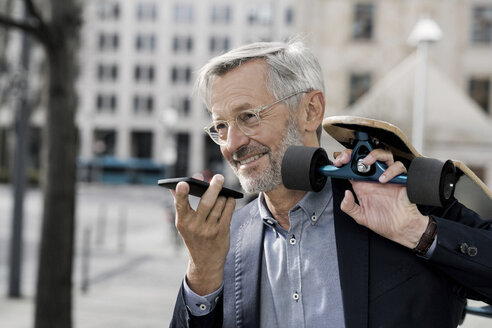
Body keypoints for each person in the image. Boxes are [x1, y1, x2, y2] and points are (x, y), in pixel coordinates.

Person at [169, 40, 492, 328]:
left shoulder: (406, 204)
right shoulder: (229, 237)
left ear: (310, 111)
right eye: (221, 126)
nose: (232, 143)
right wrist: (202, 274)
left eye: (248, 116)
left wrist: (417, 232)